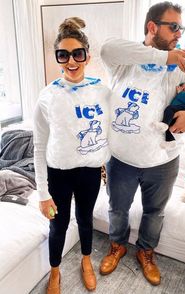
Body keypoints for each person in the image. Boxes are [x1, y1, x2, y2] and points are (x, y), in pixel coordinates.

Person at [99, 1, 185, 286]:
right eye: (173, 26)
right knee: (117, 209)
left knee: (154, 212)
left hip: (162, 162)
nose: (179, 33)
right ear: (153, 27)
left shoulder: (183, 65)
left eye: (181, 27)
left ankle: (146, 251)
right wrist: (165, 58)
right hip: (121, 159)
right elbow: (106, 48)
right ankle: (117, 246)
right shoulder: (126, 61)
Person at [33, 17, 111, 293]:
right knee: (59, 226)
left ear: (87, 56)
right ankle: (55, 272)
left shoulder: (103, 92)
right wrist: (43, 193)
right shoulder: (47, 96)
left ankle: (86, 261)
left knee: (86, 219)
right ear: (57, 58)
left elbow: (114, 130)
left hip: (90, 173)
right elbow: (39, 146)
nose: (71, 61)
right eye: (63, 55)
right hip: (58, 175)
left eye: (77, 53)